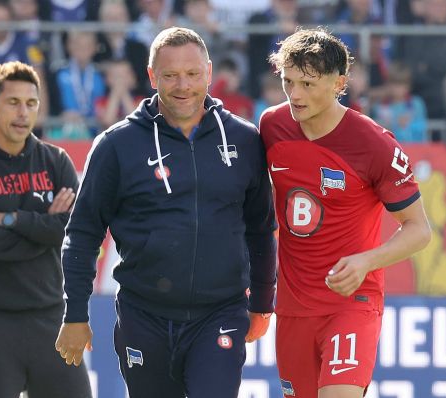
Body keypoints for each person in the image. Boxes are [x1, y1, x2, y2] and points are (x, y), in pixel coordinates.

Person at [55, 27, 277, 398]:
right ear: (152, 76)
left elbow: (261, 228)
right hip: (144, 316)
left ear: (208, 72)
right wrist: (75, 313)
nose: (183, 86)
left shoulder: (244, 139)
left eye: (192, 74)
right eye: (170, 75)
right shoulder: (115, 146)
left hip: (220, 314)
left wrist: (263, 302)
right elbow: (82, 234)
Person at [259, 28, 431, 398]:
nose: (295, 94)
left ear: (339, 83)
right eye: (288, 81)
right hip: (292, 307)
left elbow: (419, 230)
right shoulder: (272, 125)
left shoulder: (374, 144)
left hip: (351, 303)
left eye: (307, 83)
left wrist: (366, 261)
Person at [0, 61, 92, 398]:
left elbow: (68, 233)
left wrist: (12, 220)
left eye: (31, 103)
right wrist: (45, 226)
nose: (23, 113)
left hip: (51, 318)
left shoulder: (56, 161)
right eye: (13, 103)